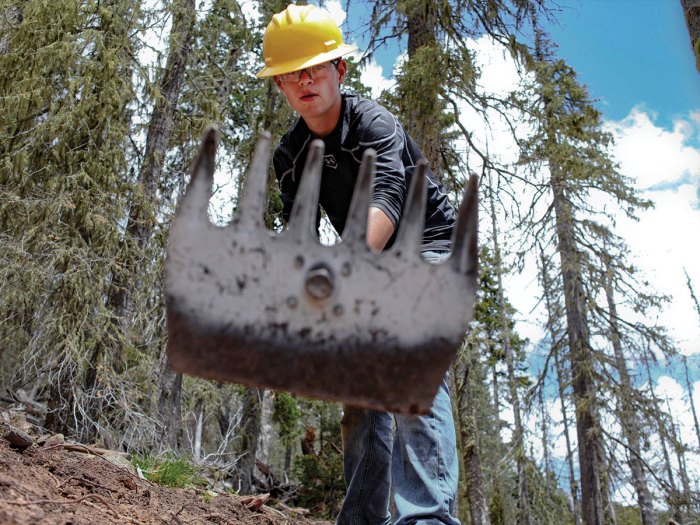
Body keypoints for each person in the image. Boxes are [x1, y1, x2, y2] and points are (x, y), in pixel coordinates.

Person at [257, 5, 461, 525]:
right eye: (290, 73)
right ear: (279, 84)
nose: (303, 81)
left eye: (315, 68)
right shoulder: (291, 155)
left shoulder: (374, 122)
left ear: (340, 72)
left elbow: (390, 197)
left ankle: (428, 518)